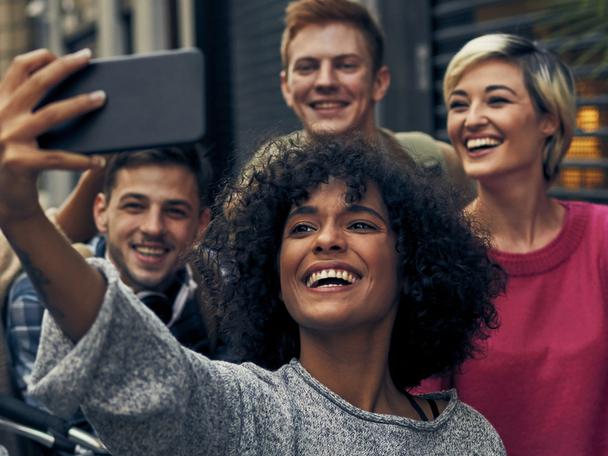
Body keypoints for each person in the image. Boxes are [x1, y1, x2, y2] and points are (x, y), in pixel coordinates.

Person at [0, 49, 506, 454]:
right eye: (302, 227)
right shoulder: (245, 413)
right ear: (273, 274)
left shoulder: (471, 440)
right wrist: (23, 218)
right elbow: (132, 357)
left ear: (411, 263)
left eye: (359, 222)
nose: (326, 240)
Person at [417, 33, 608, 455]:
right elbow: (413, 420)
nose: (471, 119)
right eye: (459, 104)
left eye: (497, 100)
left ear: (549, 119)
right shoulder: (438, 253)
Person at [5, 146, 212, 409]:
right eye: (134, 206)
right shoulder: (39, 296)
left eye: (175, 211)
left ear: (201, 225)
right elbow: (68, 432)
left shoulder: (218, 285)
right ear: (101, 213)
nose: (153, 227)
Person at [259, 0, 472, 199]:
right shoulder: (264, 178)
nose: (325, 81)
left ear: (379, 82)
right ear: (286, 87)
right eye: (307, 67)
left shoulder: (434, 164)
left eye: (346, 66)